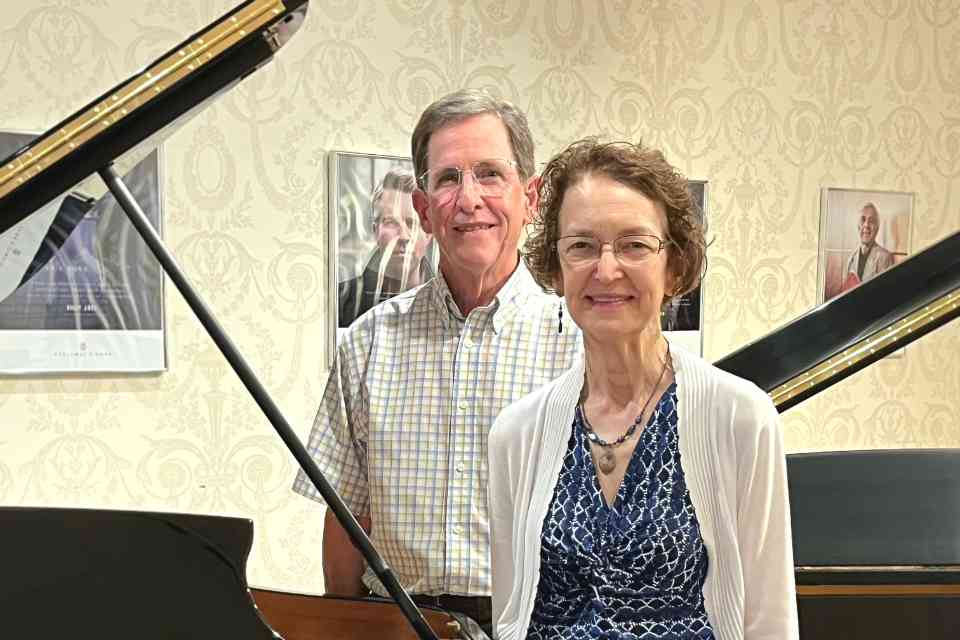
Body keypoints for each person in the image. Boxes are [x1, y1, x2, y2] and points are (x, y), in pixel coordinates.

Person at [293, 89, 582, 636]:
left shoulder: (580, 346)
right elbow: (347, 515)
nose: (469, 199)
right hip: (397, 623)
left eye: (490, 174)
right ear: (424, 210)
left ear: (532, 196)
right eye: (448, 179)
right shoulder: (368, 343)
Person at [489, 139, 798, 639]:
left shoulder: (741, 416)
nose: (606, 270)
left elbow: (770, 621)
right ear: (556, 266)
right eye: (582, 246)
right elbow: (511, 616)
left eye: (634, 245)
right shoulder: (516, 434)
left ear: (674, 266)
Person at [338, 168, 433, 327]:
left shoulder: (453, 304)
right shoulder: (340, 302)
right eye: (391, 222)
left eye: (412, 223)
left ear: (429, 232)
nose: (404, 236)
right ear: (376, 231)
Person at [842, 202, 895, 289]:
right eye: (863, 219)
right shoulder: (851, 259)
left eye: (871, 221)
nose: (866, 225)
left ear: (877, 228)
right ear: (858, 226)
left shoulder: (885, 257)